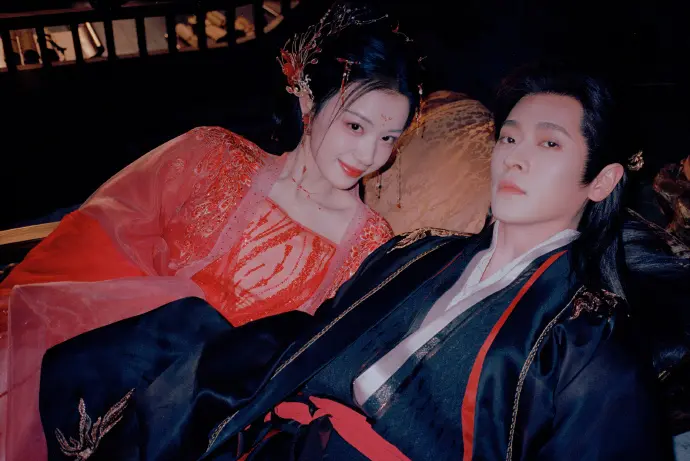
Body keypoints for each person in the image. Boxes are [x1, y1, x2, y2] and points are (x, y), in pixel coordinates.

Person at [39, 67, 683, 460]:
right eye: (509, 137)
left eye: (548, 144)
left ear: (601, 181)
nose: (514, 156)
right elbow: (309, 340)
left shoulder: (588, 346)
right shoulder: (415, 252)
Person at [0, 5, 423, 461]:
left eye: (388, 138)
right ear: (306, 100)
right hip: (109, 377)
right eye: (355, 126)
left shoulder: (371, 247)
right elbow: (100, 240)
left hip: (214, 436)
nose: (368, 154)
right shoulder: (212, 157)